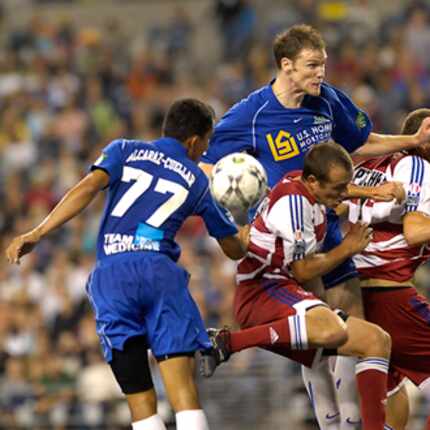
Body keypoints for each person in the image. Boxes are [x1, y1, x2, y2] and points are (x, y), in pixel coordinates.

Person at [199, 24, 430, 429]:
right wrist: (236, 219)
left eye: (322, 64)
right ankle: (332, 423)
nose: (320, 73)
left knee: (354, 334)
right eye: (311, 65)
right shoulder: (250, 116)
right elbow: (208, 166)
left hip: (331, 229)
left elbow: (360, 142)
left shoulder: (328, 101)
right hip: (290, 239)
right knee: (318, 343)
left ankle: (353, 423)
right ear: (285, 66)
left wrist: (410, 142)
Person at [5, 98, 249, 430]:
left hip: (113, 278)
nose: (206, 150)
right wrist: (244, 228)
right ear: (194, 141)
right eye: (207, 142)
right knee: (184, 397)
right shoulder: (198, 180)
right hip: (159, 274)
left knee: (142, 406)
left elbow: (87, 187)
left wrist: (38, 232)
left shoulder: (123, 149)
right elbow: (234, 250)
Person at [202, 142, 392, 430]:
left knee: (376, 342)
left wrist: (371, 192)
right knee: (330, 330)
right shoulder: (294, 203)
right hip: (263, 288)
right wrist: (348, 247)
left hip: (283, 287)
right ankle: (229, 342)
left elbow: (338, 191)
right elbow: (302, 269)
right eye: (338, 188)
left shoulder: (301, 181)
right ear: (313, 181)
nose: (342, 194)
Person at [341, 108, 430, 430]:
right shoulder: (417, 165)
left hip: (355, 295)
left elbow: (337, 203)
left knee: (393, 395)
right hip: (391, 297)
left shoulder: (368, 168)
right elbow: (415, 232)